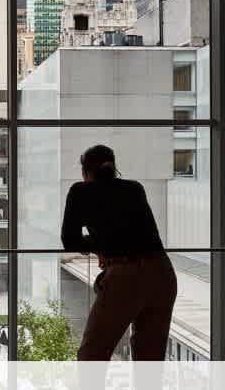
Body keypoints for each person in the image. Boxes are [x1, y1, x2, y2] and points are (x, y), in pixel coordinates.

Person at [61, 145, 177, 361]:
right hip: (162, 273)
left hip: (126, 276)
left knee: (92, 356)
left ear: (85, 172)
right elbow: (134, 232)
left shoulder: (80, 191)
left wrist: (99, 247)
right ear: (114, 168)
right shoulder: (135, 189)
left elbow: (70, 240)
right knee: (149, 360)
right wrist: (104, 246)